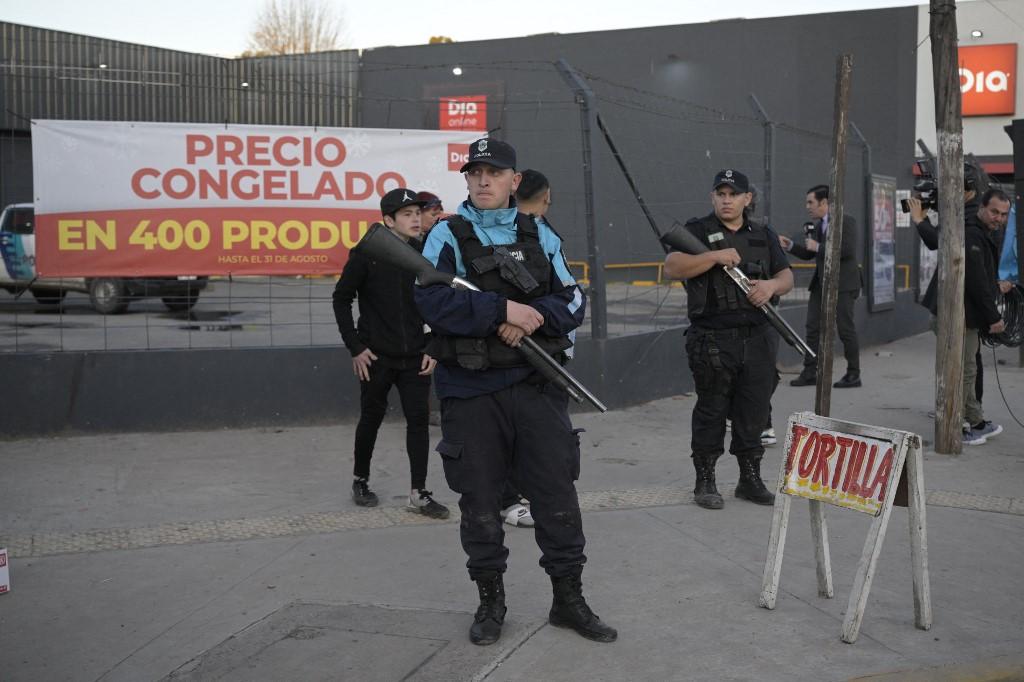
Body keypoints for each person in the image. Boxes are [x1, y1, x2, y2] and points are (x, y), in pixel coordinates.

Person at [415, 137, 616, 645]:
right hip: (471, 391)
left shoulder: (540, 234)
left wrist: (532, 318)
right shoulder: (446, 237)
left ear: (514, 180)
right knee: (480, 504)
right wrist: (501, 313)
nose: (482, 180)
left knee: (556, 497)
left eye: (493, 172)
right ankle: (490, 603)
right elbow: (432, 304)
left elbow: (572, 299)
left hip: (535, 386)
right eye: (474, 172)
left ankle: (568, 601)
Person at [664, 169, 794, 510]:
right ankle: (705, 480)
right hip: (713, 338)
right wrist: (712, 257)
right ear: (712, 197)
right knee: (712, 409)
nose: (726, 199)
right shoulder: (698, 230)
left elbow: (786, 275)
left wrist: (770, 287)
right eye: (720, 193)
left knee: (753, 409)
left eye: (733, 194)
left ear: (747, 199)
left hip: (758, 337)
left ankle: (749, 479)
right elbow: (672, 266)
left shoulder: (763, 233)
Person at [332, 188, 450, 518]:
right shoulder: (367, 253)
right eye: (407, 214)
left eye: (418, 213)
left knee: (418, 422)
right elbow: (341, 299)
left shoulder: (426, 254)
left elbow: (438, 305)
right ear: (388, 221)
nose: (416, 219)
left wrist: (434, 346)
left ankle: (419, 493)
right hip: (376, 357)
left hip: (415, 356)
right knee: (371, 417)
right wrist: (356, 347)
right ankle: (360, 480)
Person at [910, 180, 1007, 446]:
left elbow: (981, 274)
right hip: (957, 313)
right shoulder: (968, 226)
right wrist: (993, 317)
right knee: (963, 370)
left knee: (967, 368)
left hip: (965, 313)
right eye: (995, 212)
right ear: (981, 204)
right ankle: (963, 423)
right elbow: (973, 278)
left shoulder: (974, 224)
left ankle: (971, 419)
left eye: (1003, 214)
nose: (999, 218)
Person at [779, 185, 862, 388]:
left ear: (824, 203)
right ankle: (810, 372)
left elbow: (848, 250)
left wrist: (819, 247)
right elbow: (810, 254)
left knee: (845, 328)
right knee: (812, 327)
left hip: (843, 283)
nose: (807, 207)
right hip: (820, 284)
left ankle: (854, 374)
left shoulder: (846, 220)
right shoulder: (819, 225)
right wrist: (790, 246)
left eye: (811, 202)